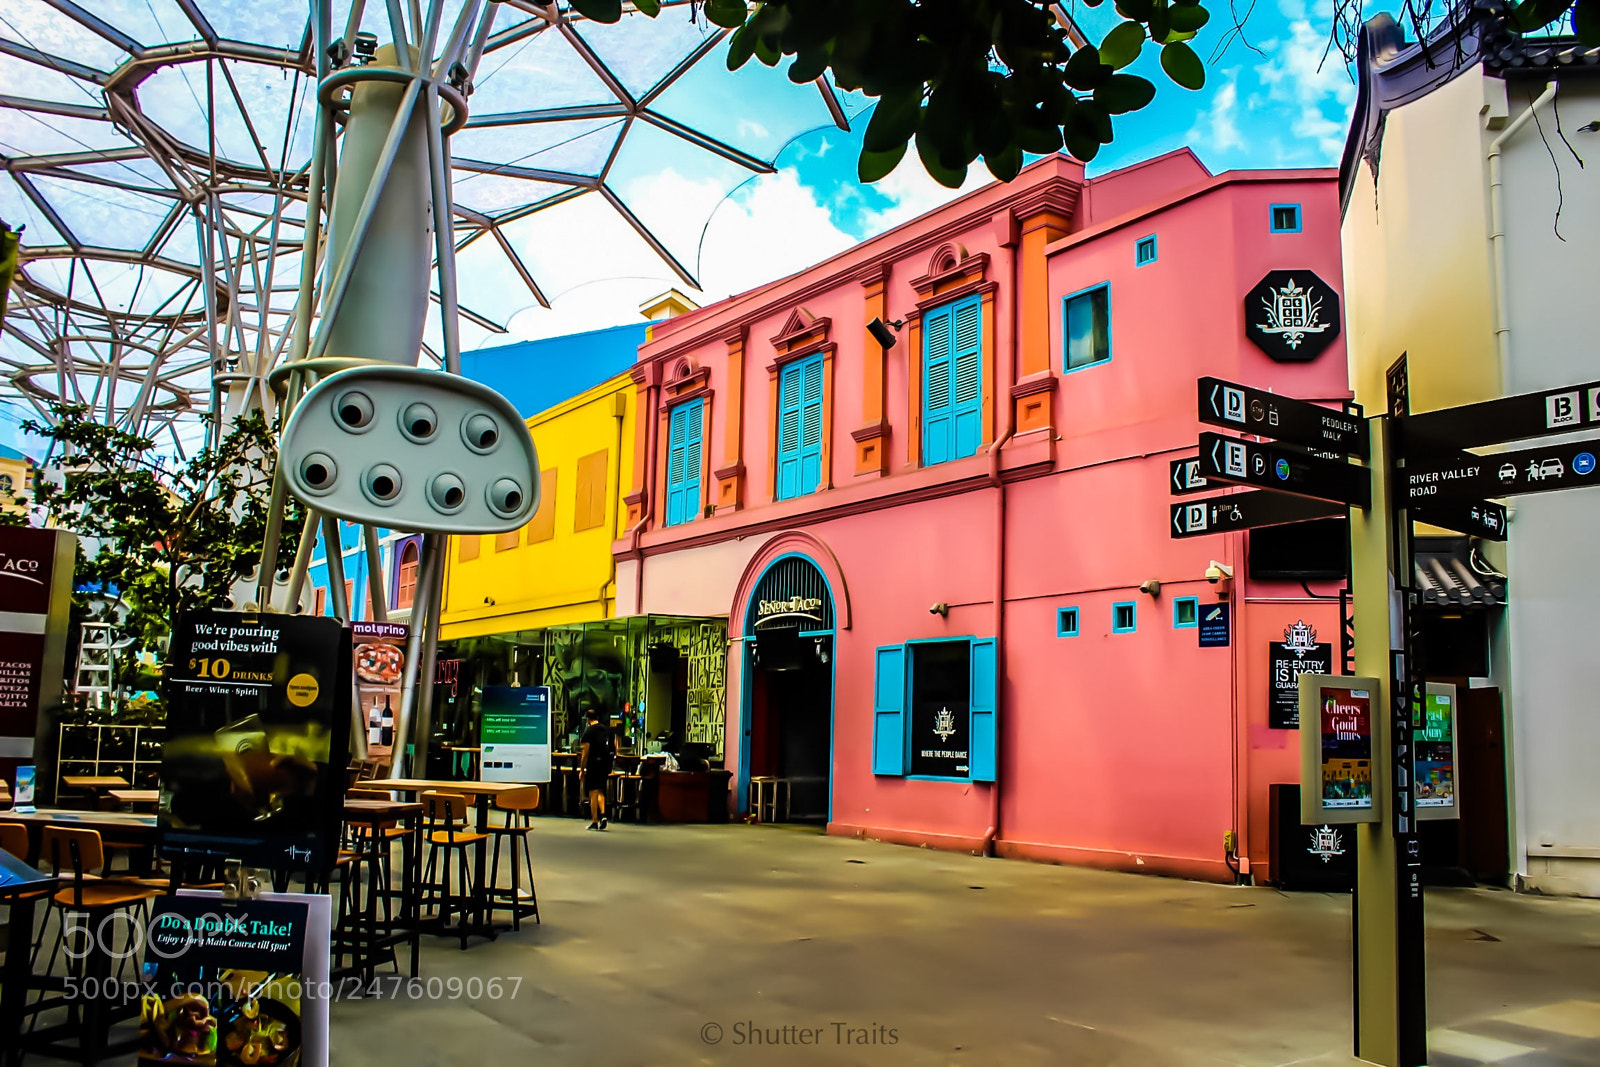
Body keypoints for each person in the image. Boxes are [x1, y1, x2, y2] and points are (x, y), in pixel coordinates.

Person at [579, 705, 614, 830]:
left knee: (593, 792)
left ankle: (594, 820)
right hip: (604, 765)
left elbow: (585, 752)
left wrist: (582, 769)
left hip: (593, 764)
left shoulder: (589, 731)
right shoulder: (607, 730)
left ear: (588, 719)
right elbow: (615, 746)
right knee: (600, 790)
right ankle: (603, 815)